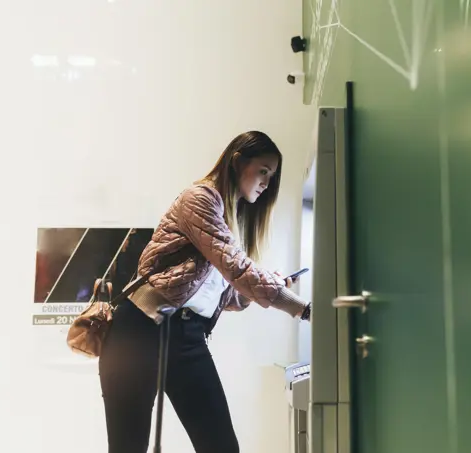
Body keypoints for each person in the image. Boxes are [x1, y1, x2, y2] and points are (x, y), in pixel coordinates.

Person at [98, 131, 311, 453]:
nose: (267, 183)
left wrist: (269, 286)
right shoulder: (201, 198)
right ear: (238, 161)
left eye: (272, 175)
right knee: (129, 447)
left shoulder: (227, 217)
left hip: (186, 336)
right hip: (139, 330)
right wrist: (303, 308)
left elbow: (229, 294)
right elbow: (237, 268)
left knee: (220, 446)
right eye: (263, 171)